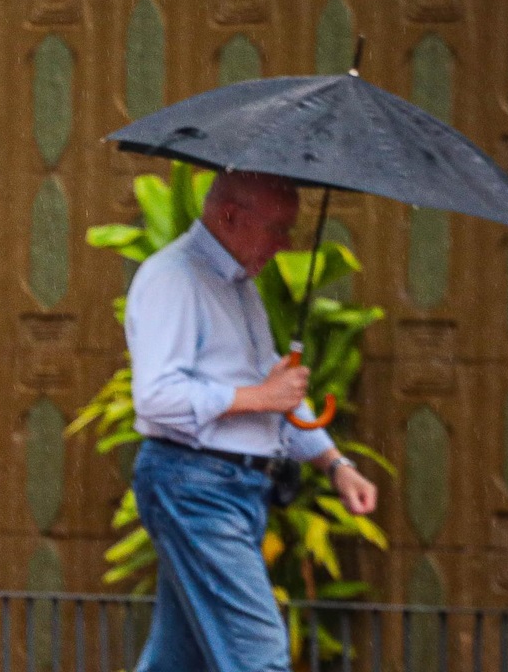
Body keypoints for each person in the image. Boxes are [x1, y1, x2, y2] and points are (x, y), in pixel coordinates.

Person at [125, 171, 378, 672]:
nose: (286, 244)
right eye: (278, 228)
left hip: (227, 488)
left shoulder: (241, 286)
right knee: (258, 656)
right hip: (195, 486)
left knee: (178, 661)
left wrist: (334, 463)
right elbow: (154, 397)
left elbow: (275, 393)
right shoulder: (172, 278)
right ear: (229, 216)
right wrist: (259, 395)